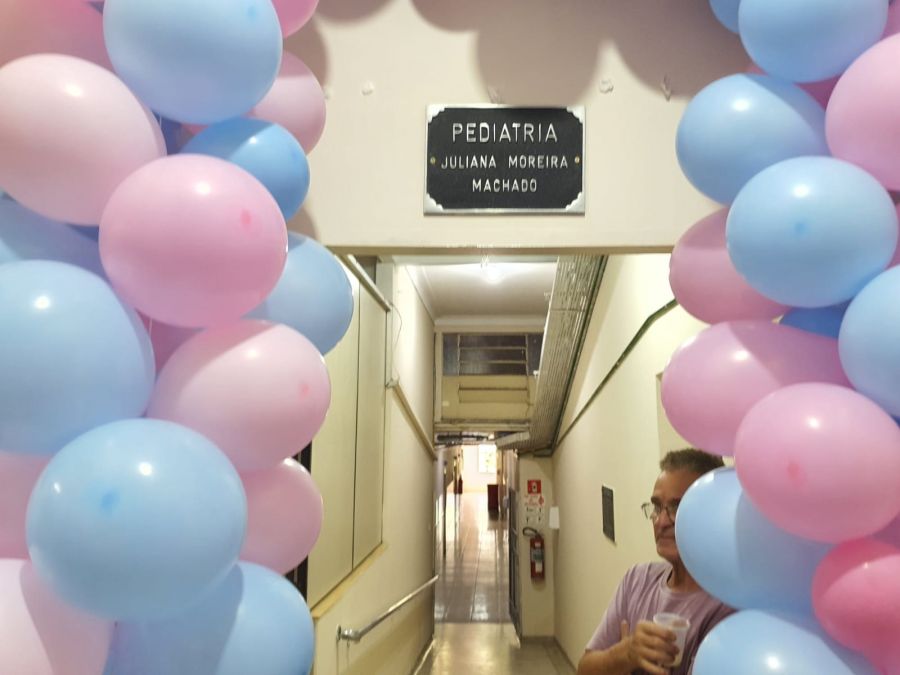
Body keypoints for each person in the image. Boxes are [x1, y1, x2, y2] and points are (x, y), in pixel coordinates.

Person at [576, 449, 733, 675]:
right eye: (657, 507)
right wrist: (624, 655)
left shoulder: (724, 608)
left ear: (712, 513)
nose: (661, 521)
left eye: (677, 507)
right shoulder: (637, 580)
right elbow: (585, 668)